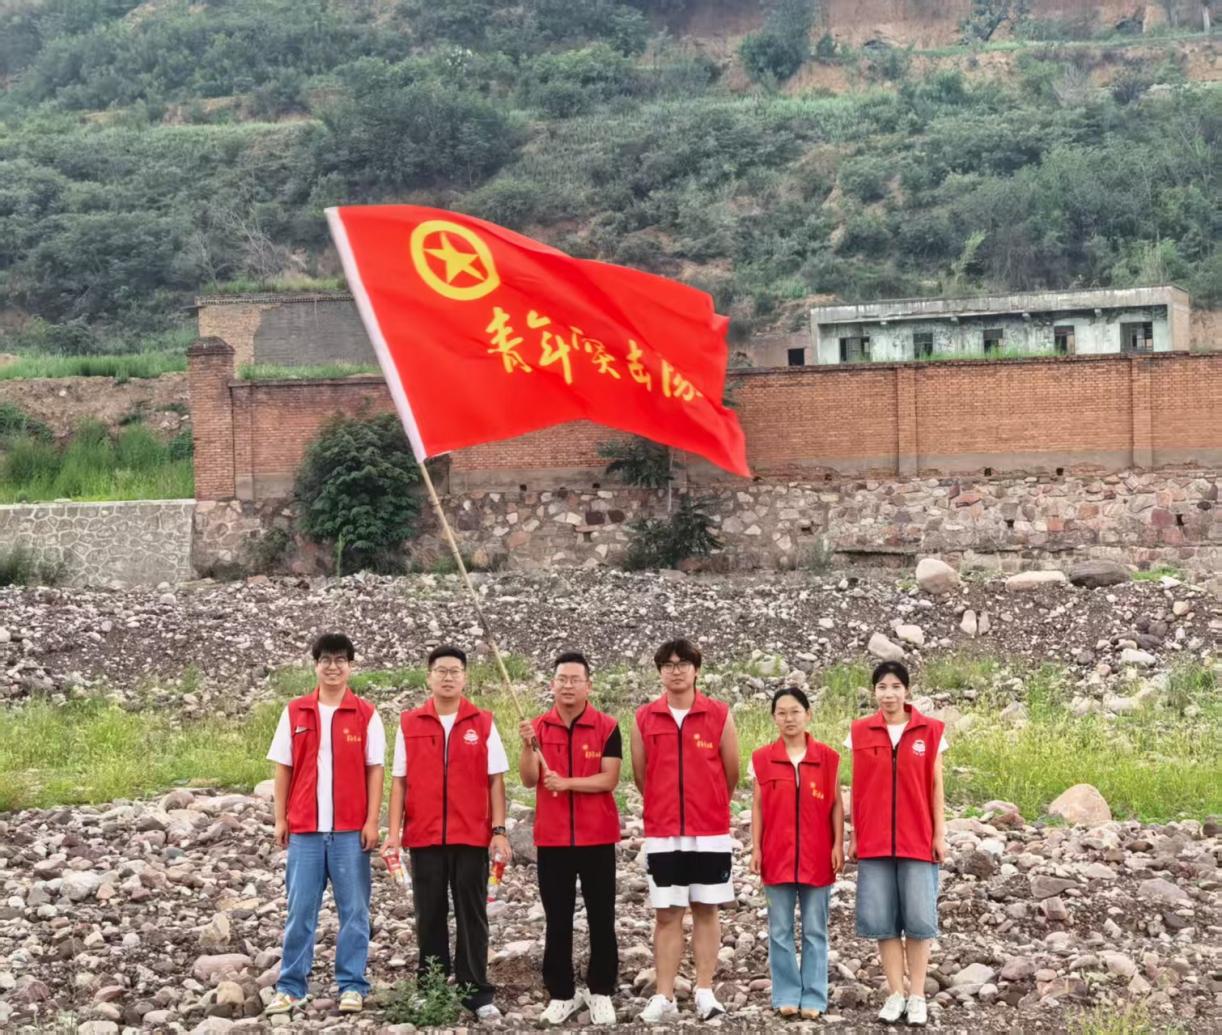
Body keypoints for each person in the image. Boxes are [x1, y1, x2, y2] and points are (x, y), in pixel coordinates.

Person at [382, 645, 512, 1022]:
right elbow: (400, 782)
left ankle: (476, 993)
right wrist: (394, 832)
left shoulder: (482, 722)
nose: (448, 677)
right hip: (424, 836)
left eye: (455, 671)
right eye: (441, 670)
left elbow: (496, 780)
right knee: (430, 914)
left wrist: (499, 830)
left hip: (471, 836)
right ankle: (432, 987)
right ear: (429, 677)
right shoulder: (410, 723)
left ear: (465, 677)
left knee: (472, 915)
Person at [264, 633, 385, 1016]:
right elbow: (283, 768)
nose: (333, 667)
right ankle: (291, 986)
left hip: (350, 831)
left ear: (350, 666)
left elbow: (375, 770)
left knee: (355, 912)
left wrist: (372, 821)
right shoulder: (296, 711)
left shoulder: (365, 713)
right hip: (306, 831)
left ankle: (352, 984)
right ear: (316, 665)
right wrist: (281, 818)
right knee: (300, 910)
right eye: (326, 660)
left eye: (340, 660)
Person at [630, 638, 739, 1024]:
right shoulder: (644, 718)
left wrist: (709, 804)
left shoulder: (719, 714)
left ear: (696, 669)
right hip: (664, 831)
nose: (675, 671)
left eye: (683, 664)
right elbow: (641, 775)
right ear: (660, 672)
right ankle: (664, 995)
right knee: (667, 913)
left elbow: (731, 772)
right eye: (668, 665)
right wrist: (663, 805)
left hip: (709, 830)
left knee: (706, 909)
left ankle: (705, 991)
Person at [518, 652, 621, 1027]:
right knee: (557, 919)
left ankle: (601, 991)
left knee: (601, 917)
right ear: (552, 684)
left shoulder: (607, 727)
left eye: (575, 679)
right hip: (553, 839)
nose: (568, 685)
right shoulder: (537, 727)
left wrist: (567, 783)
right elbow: (529, 779)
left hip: (597, 837)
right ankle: (561, 993)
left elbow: (609, 779)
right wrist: (527, 746)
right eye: (562, 679)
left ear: (588, 685)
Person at [847, 661, 947, 1027]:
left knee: (919, 920)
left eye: (895, 687)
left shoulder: (930, 731)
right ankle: (895, 993)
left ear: (906, 690)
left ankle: (917, 995)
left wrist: (939, 834)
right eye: (881, 687)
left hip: (917, 839)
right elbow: (857, 787)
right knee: (883, 920)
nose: (888, 694)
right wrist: (855, 835)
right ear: (874, 691)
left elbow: (935, 786)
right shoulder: (859, 732)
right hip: (874, 841)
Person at [750, 687, 843, 1021]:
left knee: (815, 929)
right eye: (782, 713)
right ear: (774, 718)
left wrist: (838, 844)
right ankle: (787, 994)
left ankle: (814, 995)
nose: (789, 718)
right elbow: (758, 806)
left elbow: (836, 805)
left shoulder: (828, 758)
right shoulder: (762, 758)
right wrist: (756, 847)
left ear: (808, 715)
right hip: (776, 854)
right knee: (780, 930)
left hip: (818, 856)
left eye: (795, 712)